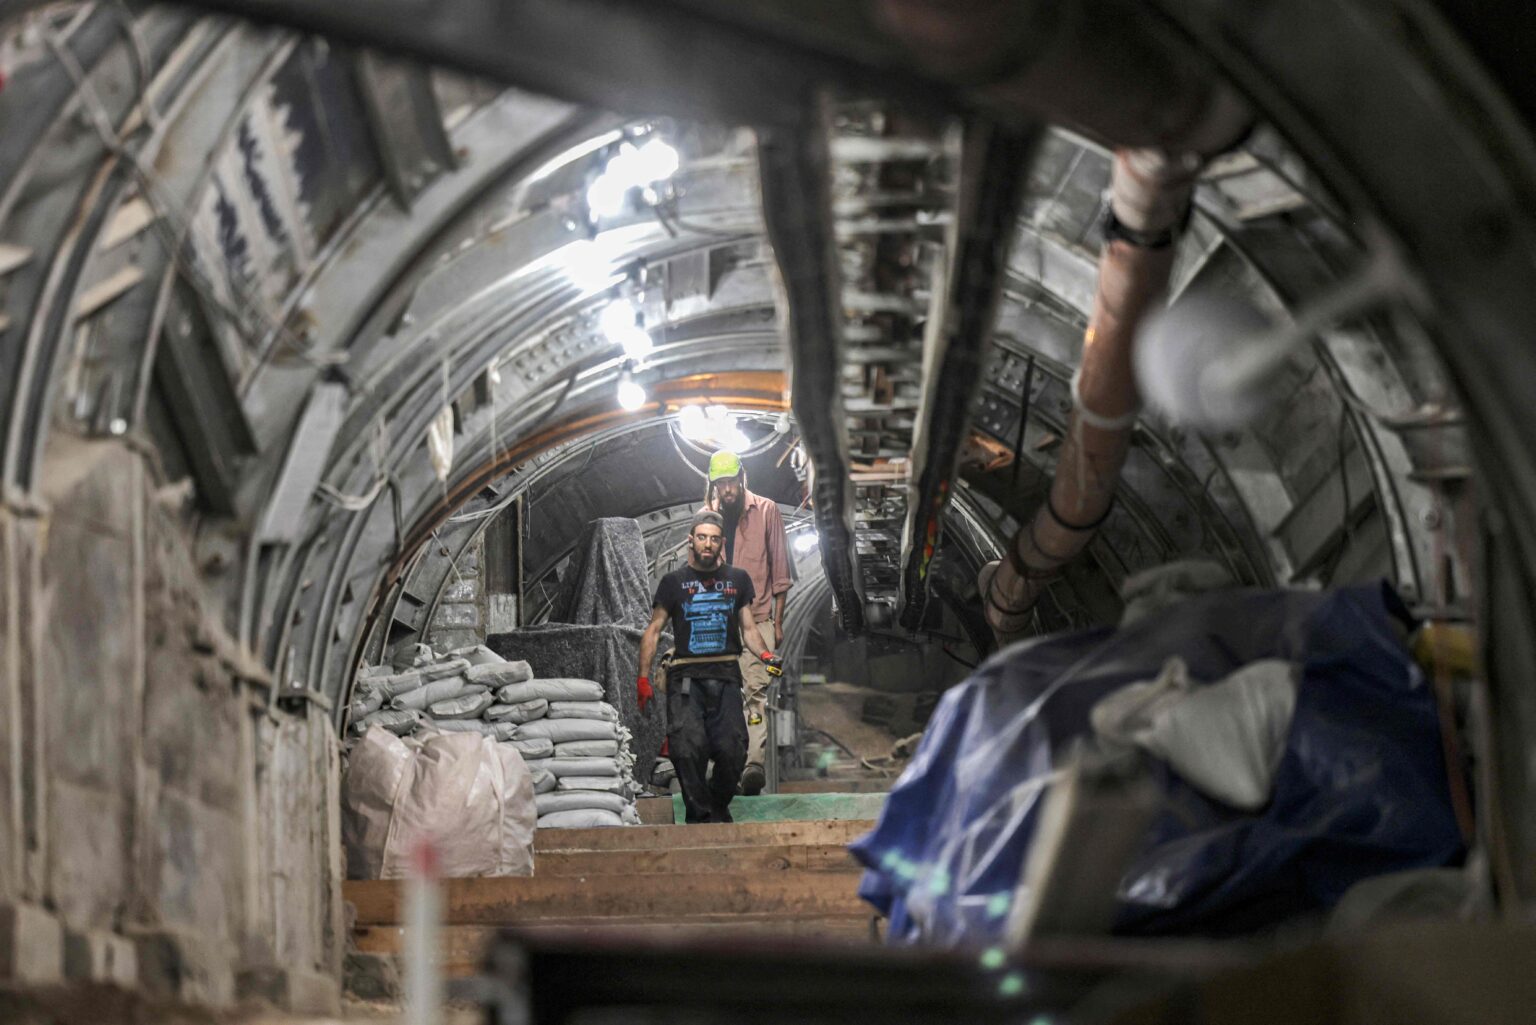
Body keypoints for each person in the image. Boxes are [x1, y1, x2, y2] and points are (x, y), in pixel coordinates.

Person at [637, 510, 781, 823]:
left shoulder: (737, 580)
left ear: (721, 544)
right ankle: (700, 818)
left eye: (714, 539)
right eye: (702, 537)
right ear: (691, 540)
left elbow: (749, 628)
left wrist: (766, 656)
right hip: (686, 679)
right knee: (688, 750)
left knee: (733, 751)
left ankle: (716, 802)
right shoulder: (674, 583)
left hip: (727, 676)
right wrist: (643, 678)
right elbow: (653, 630)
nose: (708, 544)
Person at [702, 449, 792, 795]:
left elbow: (780, 571)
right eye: (720, 484)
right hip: (717, 622)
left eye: (731, 482)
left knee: (755, 692)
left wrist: (779, 622)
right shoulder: (706, 519)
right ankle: (726, 766)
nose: (727, 489)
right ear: (714, 484)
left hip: (758, 619)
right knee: (719, 696)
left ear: (742, 477)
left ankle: (753, 766)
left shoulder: (766, 511)